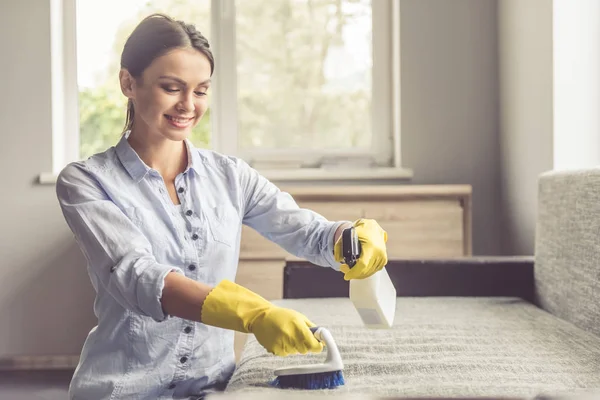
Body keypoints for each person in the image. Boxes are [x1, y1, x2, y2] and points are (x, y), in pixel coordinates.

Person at [56, 13, 388, 400]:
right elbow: (138, 276)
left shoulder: (231, 177)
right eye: (171, 87)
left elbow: (304, 231)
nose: (188, 105)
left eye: (200, 90)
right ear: (128, 82)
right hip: (124, 390)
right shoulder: (86, 182)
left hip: (213, 390)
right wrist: (253, 313)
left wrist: (348, 238)